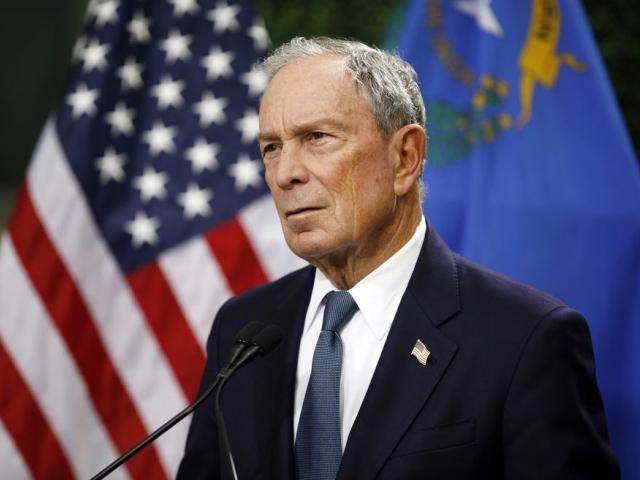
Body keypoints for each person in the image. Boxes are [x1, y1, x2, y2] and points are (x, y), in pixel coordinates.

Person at [177, 37, 619, 479]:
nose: (285, 173)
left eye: (317, 137)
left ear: (405, 157)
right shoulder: (242, 331)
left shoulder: (526, 339)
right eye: (271, 147)